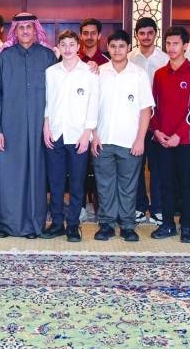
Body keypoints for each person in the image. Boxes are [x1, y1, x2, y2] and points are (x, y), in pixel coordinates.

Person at [0, 12, 58, 238]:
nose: (26, 31)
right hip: (10, 128)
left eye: (29, 27)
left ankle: (32, 226)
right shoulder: (4, 58)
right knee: (8, 176)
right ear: (15, 31)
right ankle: (7, 225)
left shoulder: (48, 56)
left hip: (40, 128)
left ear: (35, 29)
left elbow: (60, 92)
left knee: (36, 177)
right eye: (21, 28)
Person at [91, 30, 153, 243]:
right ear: (107, 48)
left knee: (129, 186)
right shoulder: (98, 72)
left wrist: (140, 139)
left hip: (130, 141)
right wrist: (94, 135)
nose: (117, 50)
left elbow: (146, 109)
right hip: (103, 140)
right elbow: (90, 107)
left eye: (121, 46)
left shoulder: (139, 74)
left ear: (129, 48)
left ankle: (127, 225)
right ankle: (106, 224)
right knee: (105, 185)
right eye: (113, 46)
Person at [42, 30, 99, 242]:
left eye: (71, 44)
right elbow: (47, 102)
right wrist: (46, 126)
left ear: (78, 47)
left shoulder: (89, 72)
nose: (67, 48)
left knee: (77, 184)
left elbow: (93, 104)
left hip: (78, 136)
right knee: (55, 182)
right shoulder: (51, 72)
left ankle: (73, 225)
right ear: (59, 47)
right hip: (55, 133)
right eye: (63, 44)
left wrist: (87, 133)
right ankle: (57, 222)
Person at [149, 26, 190, 243]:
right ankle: (168, 224)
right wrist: (157, 131)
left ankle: (187, 226)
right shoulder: (160, 74)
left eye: (176, 44)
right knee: (166, 183)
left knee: (187, 183)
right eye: (168, 43)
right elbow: (153, 106)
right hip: (162, 140)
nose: (171, 48)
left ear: (185, 46)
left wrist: (178, 135)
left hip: (185, 141)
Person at [129, 16, 168, 225]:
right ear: (136, 35)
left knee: (157, 167)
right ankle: (139, 206)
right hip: (134, 120)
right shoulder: (129, 57)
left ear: (155, 34)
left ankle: (157, 208)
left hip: (159, 120)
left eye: (150, 33)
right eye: (142, 33)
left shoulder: (164, 59)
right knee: (136, 164)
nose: (146, 37)